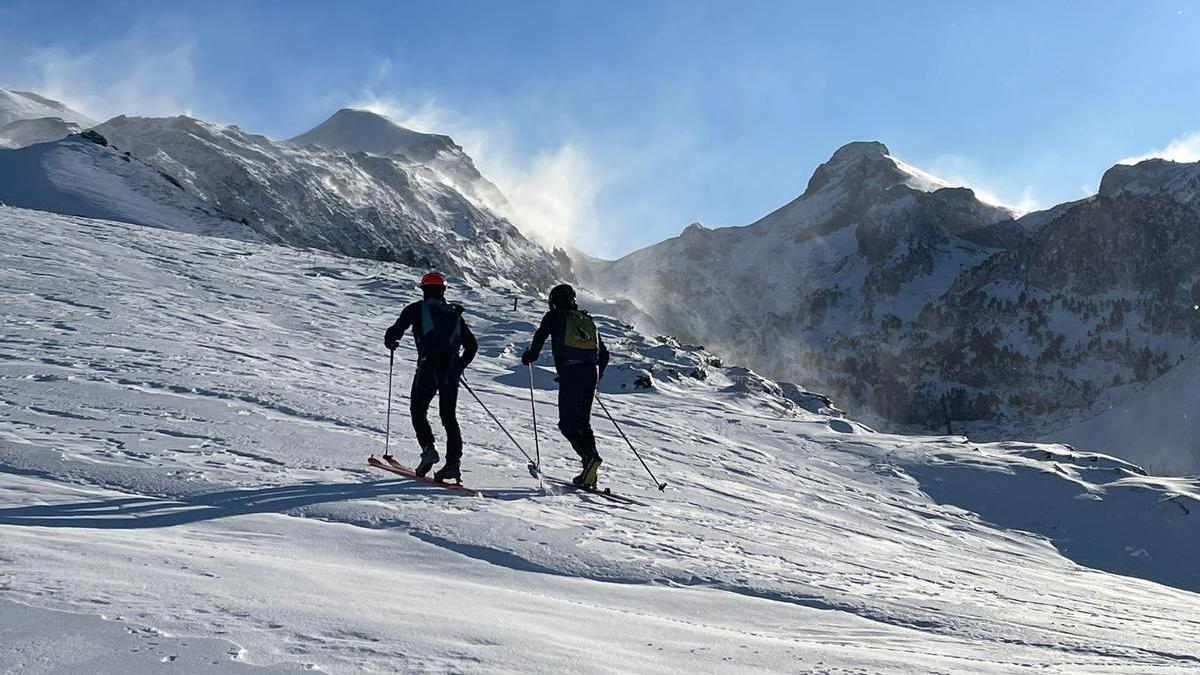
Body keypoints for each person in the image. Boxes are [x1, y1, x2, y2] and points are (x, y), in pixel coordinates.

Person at [384, 272, 478, 482]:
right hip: (450, 371)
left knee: (418, 410)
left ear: (424, 289)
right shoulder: (453, 313)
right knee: (449, 417)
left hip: (428, 366)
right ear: (443, 290)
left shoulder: (416, 308)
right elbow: (472, 345)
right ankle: (453, 464)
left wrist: (391, 341)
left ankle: (428, 449)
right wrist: (459, 365)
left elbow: (395, 330)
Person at [521, 283, 610, 488]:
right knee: (583, 423)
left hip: (571, 371)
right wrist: (597, 377)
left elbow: (540, 336)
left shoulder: (554, 316)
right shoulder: (586, 320)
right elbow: (604, 354)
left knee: (567, 424)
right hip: (590, 373)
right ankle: (590, 472)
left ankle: (590, 459)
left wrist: (530, 356)